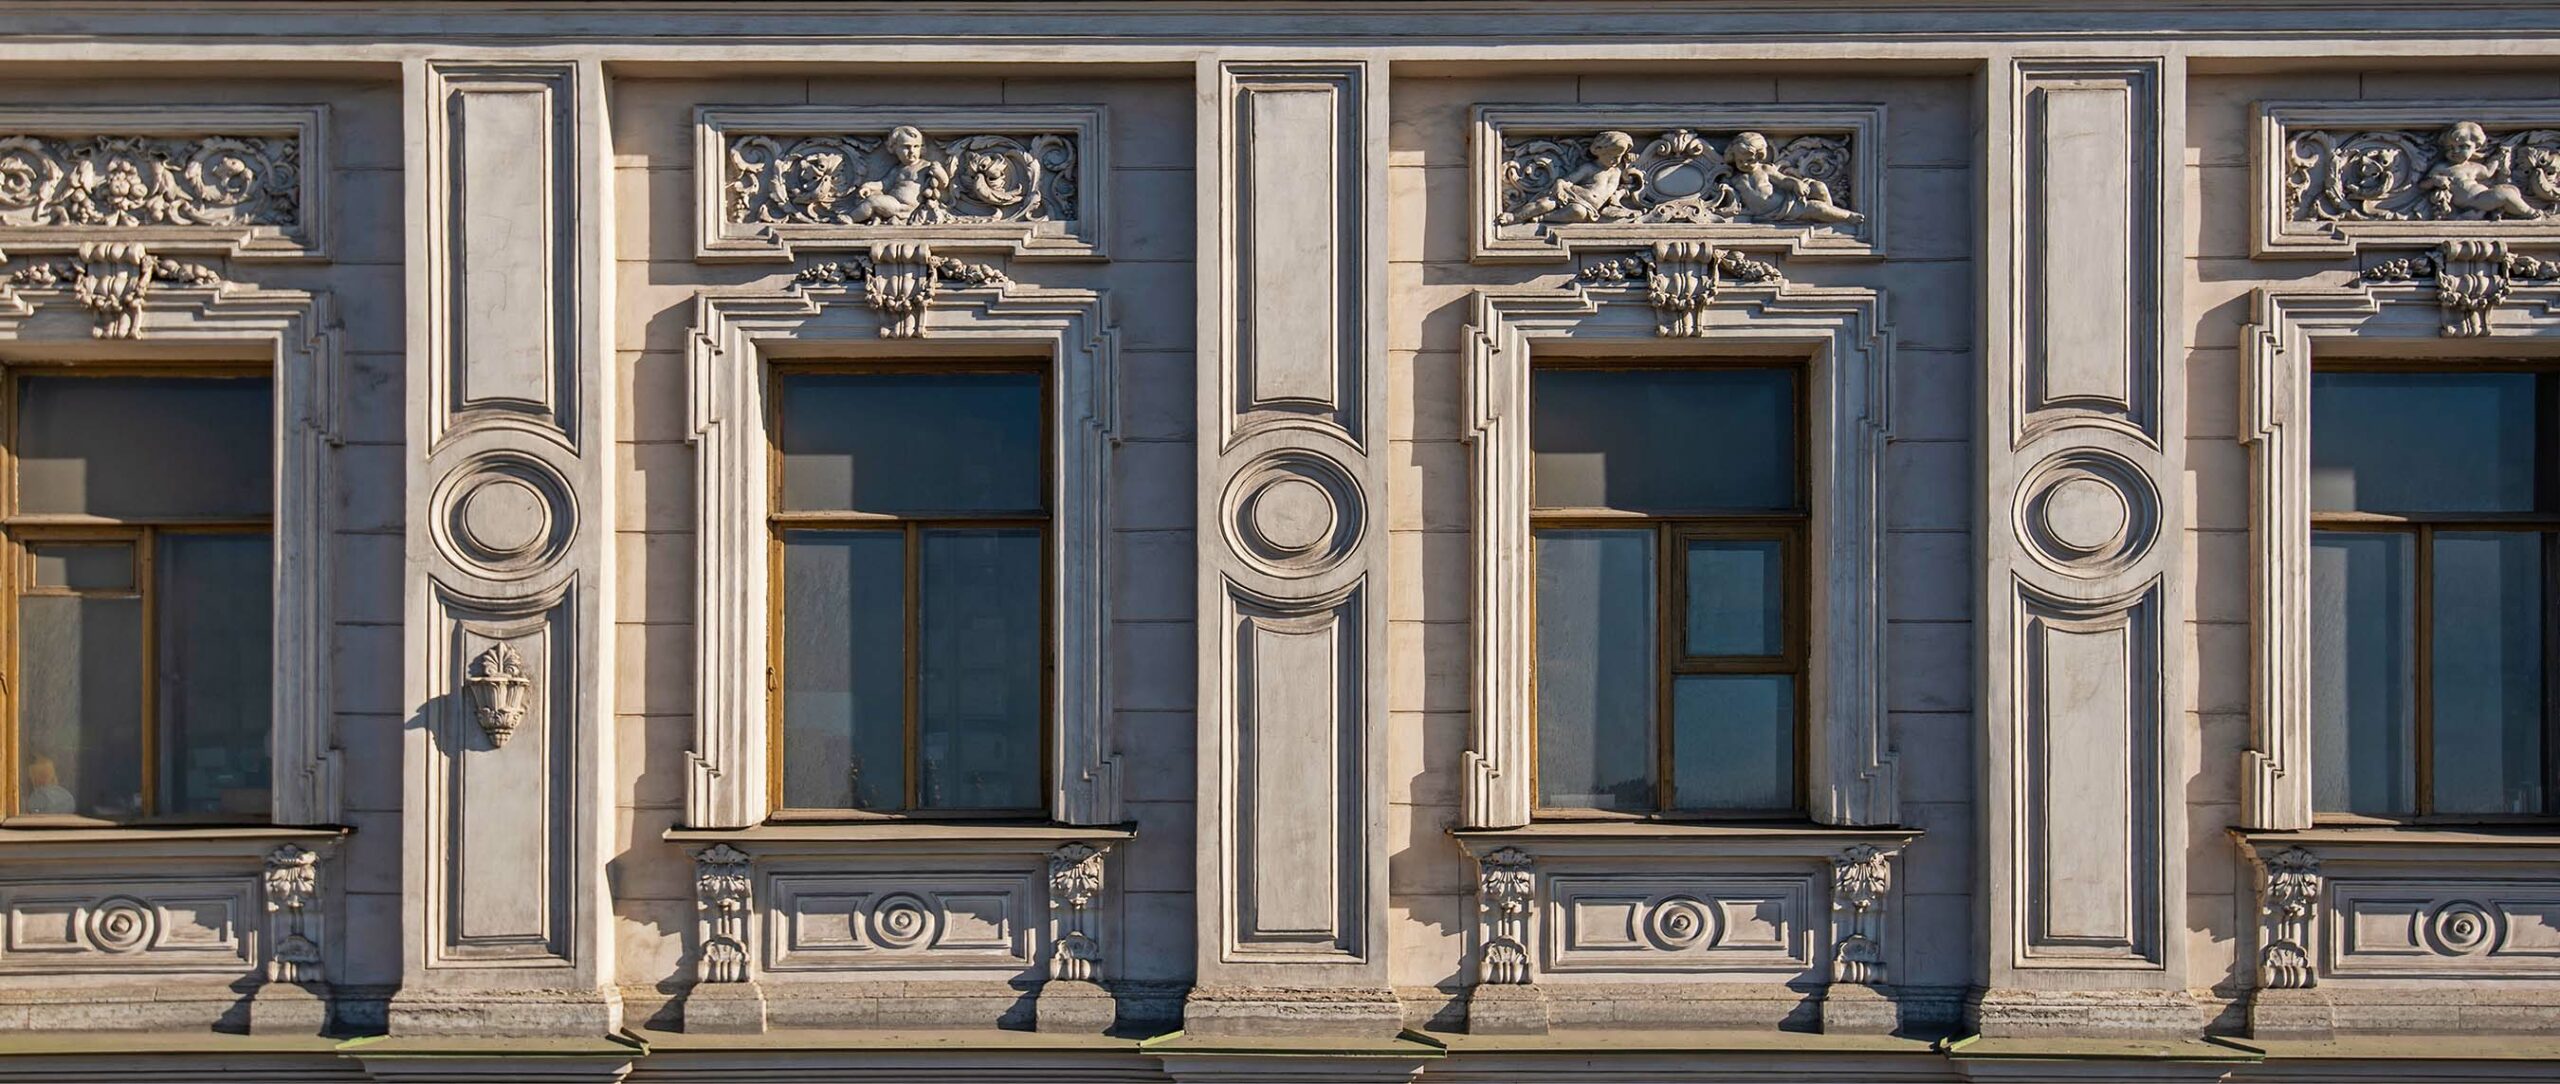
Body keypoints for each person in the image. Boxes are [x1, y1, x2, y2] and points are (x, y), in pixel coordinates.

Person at [1719, 131, 1864, 226]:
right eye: (1740, 161)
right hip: (1779, 212)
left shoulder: (1765, 169)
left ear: (1759, 156)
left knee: (1818, 188)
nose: (1744, 164)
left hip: (1785, 201)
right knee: (1815, 207)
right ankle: (1847, 217)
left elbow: (1782, 180)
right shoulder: (1734, 179)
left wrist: (1796, 184)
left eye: (1749, 160)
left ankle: (1830, 215)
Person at [1501, 130, 1641, 225]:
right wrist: (1560, 187)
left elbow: (1626, 179)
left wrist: (1630, 159)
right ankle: (1515, 216)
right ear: (1599, 151)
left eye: (1619, 156)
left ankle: (1543, 218)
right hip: (1572, 195)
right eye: (1611, 156)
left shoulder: (1617, 171)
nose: (1615, 160)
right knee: (1544, 204)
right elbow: (1566, 180)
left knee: (1577, 212)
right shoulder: (1589, 168)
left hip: (1589, 208)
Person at [2424, 121, 2544, 220]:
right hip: (2471, 200)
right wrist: (2435, 180)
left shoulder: (2474, 166)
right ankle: (2530, 212)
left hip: (2481, 197)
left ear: (2476, 147)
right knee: (2505, 195)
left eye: (2463, 147)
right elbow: (2423, 184)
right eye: (2450, 148)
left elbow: (2488, 173)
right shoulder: (2443, 167)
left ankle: (2490, 211)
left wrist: (2497, 160)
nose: (2455, 151)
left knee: (2509, 190)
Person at [846, 125, 951, 225]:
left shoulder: (926, 166)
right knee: (871, 197)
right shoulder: (898, 169)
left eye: (916, 146)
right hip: (894, 203)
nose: (911, 151)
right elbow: (883, 184)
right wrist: (868, 186)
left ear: (922, 148)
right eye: (906, 147)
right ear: (893, 148)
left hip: (905, 207)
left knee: (873, 201)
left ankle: (850, 218)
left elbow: (943, 184)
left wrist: (939, 172)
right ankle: (875, 217)